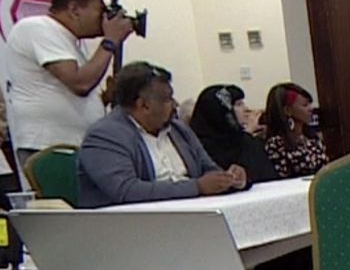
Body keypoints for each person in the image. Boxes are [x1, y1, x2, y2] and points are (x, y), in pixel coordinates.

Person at [3, 0, 133, 172]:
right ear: (74, 10)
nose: (104, 19)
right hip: (48, 148)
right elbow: (80, 83)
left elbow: (69, 92)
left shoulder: (69, 42)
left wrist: (104, 98)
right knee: (61, 203)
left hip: (74, 146)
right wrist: (110, 40)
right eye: (100, 10)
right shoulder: (37, 27)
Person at [77, 62, 243, 208]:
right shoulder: (104, 135)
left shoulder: (179, 130)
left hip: (191, 217)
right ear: (144, 105)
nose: (175, 104)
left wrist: (229, 179)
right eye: (168, 99)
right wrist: (196, 187)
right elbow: (126, 191)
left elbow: (208, 169)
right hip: (130, 230)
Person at [189, 85, 278, 184]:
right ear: (221, 110)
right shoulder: (197, 149)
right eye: (238, 104)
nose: (246, 109)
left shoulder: (249, 143)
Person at [263, 83, 328, 178]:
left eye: (310, 104)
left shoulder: (312, 138)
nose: (311, 108)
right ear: (288, 110)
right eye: (305, 105)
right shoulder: (276, 144)